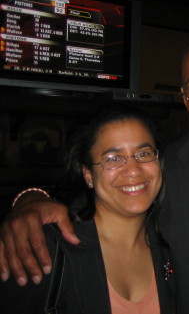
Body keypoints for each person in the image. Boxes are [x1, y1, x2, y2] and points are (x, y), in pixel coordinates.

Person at [0, 34, 189, 314]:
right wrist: (28, 200)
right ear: (184, 97)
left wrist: (28, 198)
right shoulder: (167, 169)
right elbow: (99, 197)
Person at [0, 103, 175, 313]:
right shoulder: (42, 247)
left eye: (144, 153)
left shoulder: (172, 243)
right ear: (88, 174)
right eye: (113, 158)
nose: (133, 170)